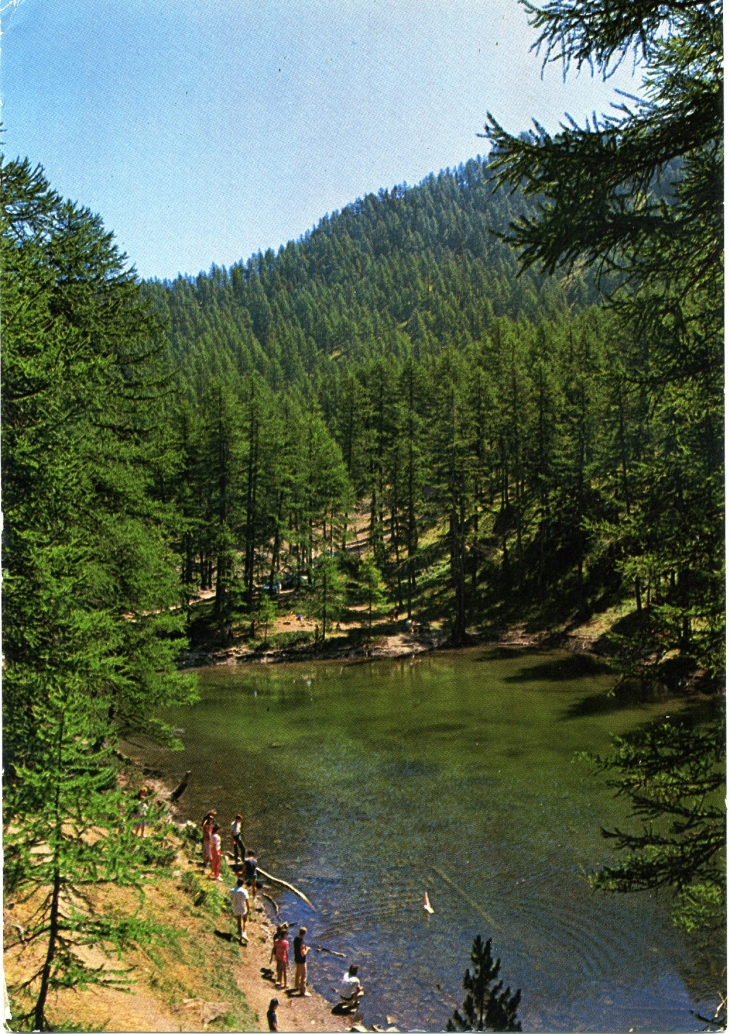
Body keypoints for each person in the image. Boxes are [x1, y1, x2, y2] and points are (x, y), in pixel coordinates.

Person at [229, 876, 249, 944]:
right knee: (245, 920)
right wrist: (248, 910)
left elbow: (231, 899)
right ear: (242, 884)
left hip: (235, 907)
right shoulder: (244, 891)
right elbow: (247, 901)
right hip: (242, 907)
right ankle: (244, 932)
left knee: (239, 922)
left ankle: (240, 936)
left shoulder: (231, 890)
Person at [293, 927, 311, 996]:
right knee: (304, 976)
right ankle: (303, 991)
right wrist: (307, 949)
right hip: (302, 961)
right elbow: (303, 954)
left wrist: (304, 948)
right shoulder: (302, 943)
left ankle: (296, 986)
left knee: (298, 973)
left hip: (297, 959)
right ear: (304, 934)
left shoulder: (296, 939)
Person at [273, 924, 290, 989]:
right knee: (285, 971)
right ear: (284, 935)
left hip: (278, 957)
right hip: (283, 958)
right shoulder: (286, 943)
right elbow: (286, 952)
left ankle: (280, 982)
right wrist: (287, 960)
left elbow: (275, 948)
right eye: (286, 934)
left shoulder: (276, 941)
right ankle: (285, 984)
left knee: (279, 970)